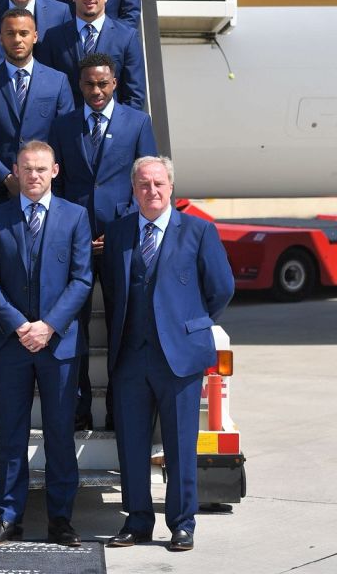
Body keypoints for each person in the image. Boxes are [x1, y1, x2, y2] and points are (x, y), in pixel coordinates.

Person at [102, 156, 235, 551]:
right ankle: (138, 520)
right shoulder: (119, 233)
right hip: (130, 356)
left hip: (179, 358)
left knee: (179, 445)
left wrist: (191, 323)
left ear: (171, 187)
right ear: (133, 189)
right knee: (132, 444)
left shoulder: (198, 231)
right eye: (144, 185)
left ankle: (182, 523)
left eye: (159, 183)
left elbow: (222, 288)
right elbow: (113, 289)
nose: (152, 191)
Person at [0, 141, 92, 546]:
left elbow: (82, 279)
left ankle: (61, 520)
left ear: (55, 171)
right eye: (27, 169)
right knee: (11, 436)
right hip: (11, 346)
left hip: (58, 346)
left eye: (42, 169)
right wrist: (18, 325)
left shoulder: (76, 217)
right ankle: (8, 517)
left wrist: (49, 326)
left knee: (60, 435)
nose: (34, 176)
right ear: (15, 171)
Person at [49, 53, 157, 429]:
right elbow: (56, 186)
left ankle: (116, 411)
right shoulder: (63, 126)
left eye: (103, 83)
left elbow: (145, 180)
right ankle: (77, 411)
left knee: (121, 328)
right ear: (79, 85)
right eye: (89, 84)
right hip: (74, 244)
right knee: (71, 329)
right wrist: (75, 231)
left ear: (114, 84)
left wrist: (114, 232)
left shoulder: (138, 122)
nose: (96, 91)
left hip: (120, 242)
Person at [0, 8, 74, 217]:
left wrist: (40, 176)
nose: (17, 39)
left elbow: (65, 138)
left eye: (24, 33)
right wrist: (6, 178)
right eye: (10, 33)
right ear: (0, 38)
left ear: (35, 36)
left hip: (46, 193)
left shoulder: (57, 81)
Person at [38, 0, 146, 109]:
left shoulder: (127, 37)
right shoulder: (54, 37)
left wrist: (120, 128)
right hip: (67, 126)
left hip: (111, 127)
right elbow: (46, 89)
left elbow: (134, 95)